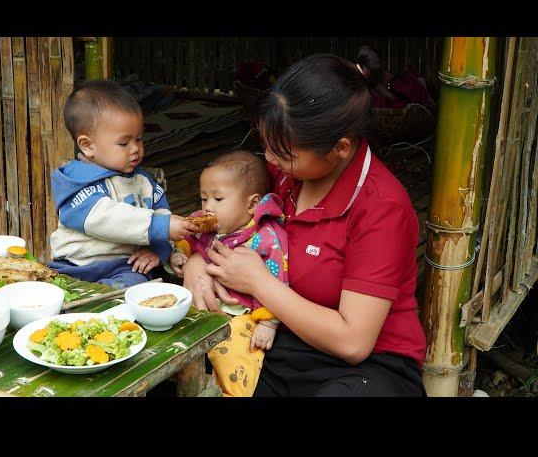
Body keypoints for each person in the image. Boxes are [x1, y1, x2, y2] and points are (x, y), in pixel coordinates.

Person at [183, 53, 428, 397]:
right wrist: (195, 263)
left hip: (369, 365)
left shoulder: (381, 207)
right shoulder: (281, 176)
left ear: (340, 148)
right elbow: (222, 217)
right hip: (280, 340)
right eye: (266, 146)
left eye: (284, 153)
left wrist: (260, 283)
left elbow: (353, 342)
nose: (269, 160)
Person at [48, 79, 197, 288]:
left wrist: (159, 251)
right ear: (88, 145)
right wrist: (158, 226)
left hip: (124, 266)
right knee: (51, 289)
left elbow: (163, 215)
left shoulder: (144, 182)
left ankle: (108, 303)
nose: (135, 148)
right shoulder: (77, 181)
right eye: (124, 143)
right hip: (75, 267)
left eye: (139, 139)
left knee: (137, 286)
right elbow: (105, 217)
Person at [170, 150, 289, 397]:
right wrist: (180, 253)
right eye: (204, 199)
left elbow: (278, 279)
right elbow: (188, 238)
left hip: (242, 313)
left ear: (252, 204)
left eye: (218, 199)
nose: (208, 208)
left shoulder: (266, 239)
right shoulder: (206, 224)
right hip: (203, 302)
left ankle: (232, 393)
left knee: (235, 355)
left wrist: (268, 322)